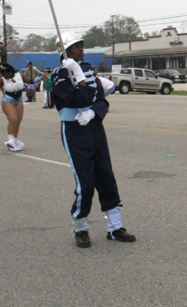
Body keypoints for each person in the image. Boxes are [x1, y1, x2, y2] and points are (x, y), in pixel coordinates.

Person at [51, 31, 135, 248]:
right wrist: (77, 75)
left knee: (106, 175)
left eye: (82, 45)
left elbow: (101, 99)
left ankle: (115, 226)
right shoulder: (60, 74)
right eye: (76, 46)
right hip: (74, 129)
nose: (81, 49)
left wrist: (92, 112)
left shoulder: (88, 68)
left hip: (94, 126)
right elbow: (77, 98)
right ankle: (81, 227)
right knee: (85, 181)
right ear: (65, 51)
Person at [0, 63, 42, 151]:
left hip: (19, 100)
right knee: (13, 119)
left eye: (5, 73)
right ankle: (10, 140)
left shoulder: (20, 75)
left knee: (18, 121)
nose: (4, 75)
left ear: (10, 72)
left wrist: (42, 77)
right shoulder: (2, 79)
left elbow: (31, 81)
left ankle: (14, 141)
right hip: (8, 99)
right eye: (2, 73)